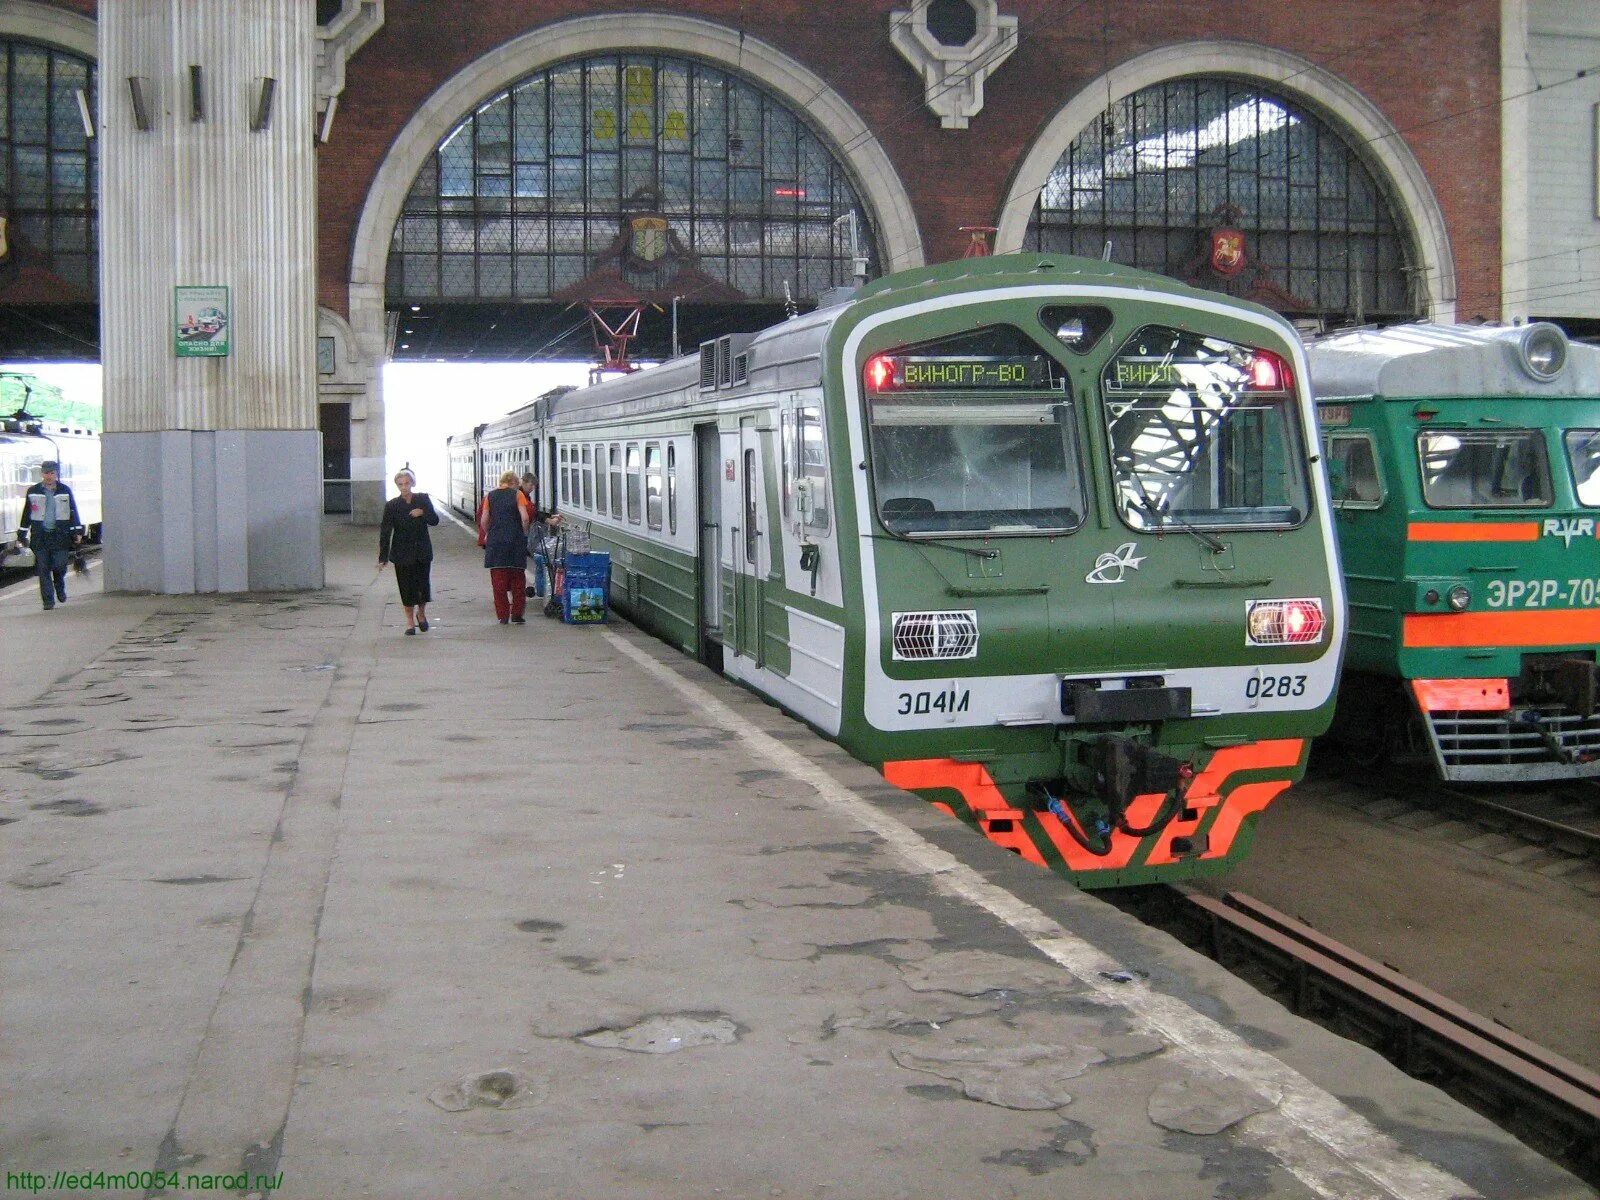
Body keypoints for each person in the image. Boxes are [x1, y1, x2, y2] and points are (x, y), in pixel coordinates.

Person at [377, 469, 440, 635]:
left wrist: (423, 513)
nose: (404, 487)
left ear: (412, 483)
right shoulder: (392, 506)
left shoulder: (422, 499)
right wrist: (383, 557)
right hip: (402, 553)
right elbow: (385, 531)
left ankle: (421, 613)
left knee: (422, 586)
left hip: (422, 551)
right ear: (397, 486)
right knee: (406, 588)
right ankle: (410, 622)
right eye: (400, 484)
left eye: (406, 483)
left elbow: (435, 520)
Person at [18, 459, 82, 611]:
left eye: (52, 473)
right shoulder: (33, 491)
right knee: (43, 568)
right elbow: (27, 513)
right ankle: (48, 601)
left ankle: (59, 585)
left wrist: (77, 531)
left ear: (56, 474)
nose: (49, 476)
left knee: (60, 566)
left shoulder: (64, 490)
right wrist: (22, 533)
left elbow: (72, 511)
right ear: (42, 474)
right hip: (40, 536)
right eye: (46, 473)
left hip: (60, 536)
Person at [477, 469, 531, 624]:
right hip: (515, 543)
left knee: (498, 583)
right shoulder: (518, 494)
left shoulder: (490, 496)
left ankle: (503, 616)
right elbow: (525, 518)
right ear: (514, 483)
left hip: (496, 544)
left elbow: (484, 520)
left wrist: (490, 533)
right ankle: (517, 614)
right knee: (518, 581)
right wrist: (524, 532)